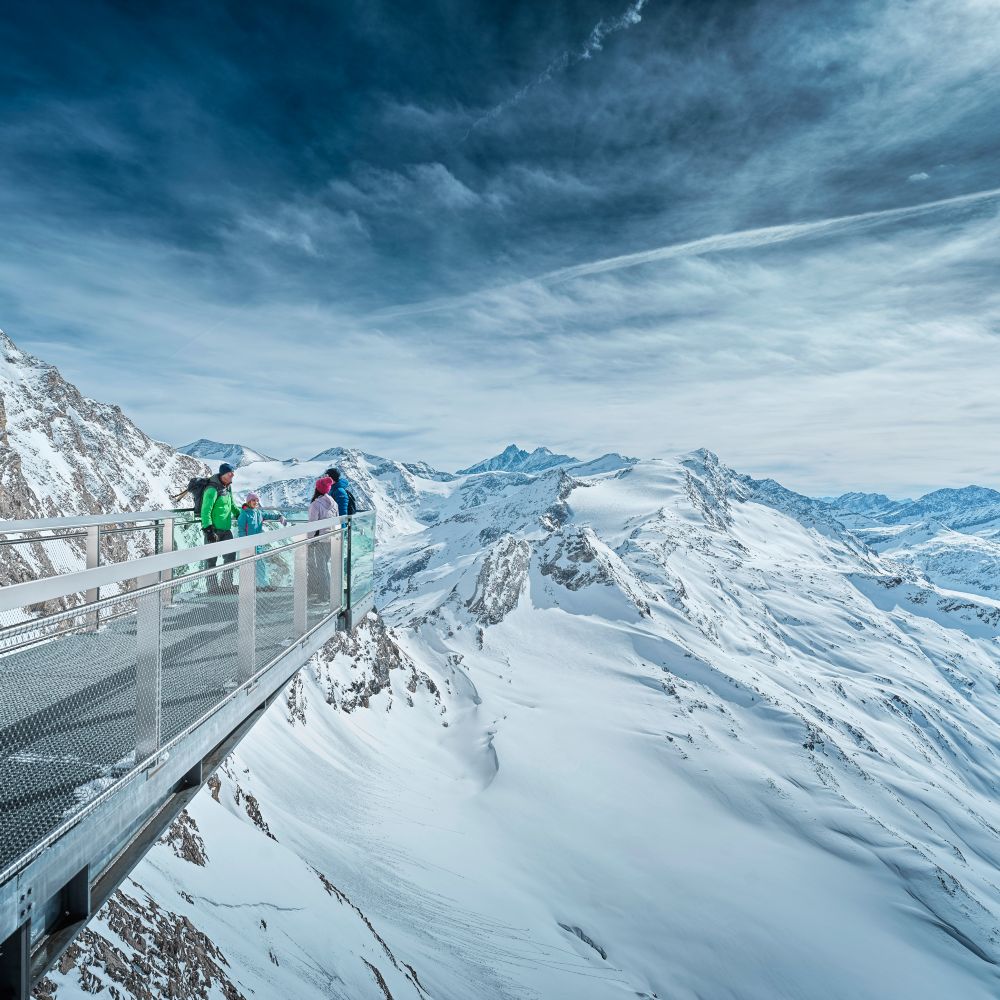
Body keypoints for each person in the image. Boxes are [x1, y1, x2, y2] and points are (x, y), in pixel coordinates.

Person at [201, 463, 241, 593]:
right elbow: (205, 510)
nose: (232, 475)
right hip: (213, 531)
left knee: (230, 557)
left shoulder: (227, 488)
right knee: (211, 560)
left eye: (233, 472)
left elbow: (232, 505)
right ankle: (212, 589)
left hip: (226, 530)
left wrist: (241, 516)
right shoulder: (212, 489)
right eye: (230, 473)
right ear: (223, 474)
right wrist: (208, 530)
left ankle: (227, 586)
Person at [237, 492, 287, 590]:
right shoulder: (244, 514)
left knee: (260, 564)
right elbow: (241, 529)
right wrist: (244, 543)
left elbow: (269, 515)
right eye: (253, 500)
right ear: (248, 502)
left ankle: (262, 585)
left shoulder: (258, 513)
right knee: (249, 565)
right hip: (248, 545)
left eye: (257, 500)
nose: (256, 502)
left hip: (258, 544)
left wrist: (280, 517)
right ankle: (249, 587)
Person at [308, 476, 337, 600]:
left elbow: (312, 525)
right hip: (332, 538)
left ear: (317, 489)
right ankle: (329, 593)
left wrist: (309, 540)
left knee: (321, 568)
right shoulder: (334, 503)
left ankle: (323, 596)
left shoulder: (316, 504)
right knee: (325, 567)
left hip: (320, 540)